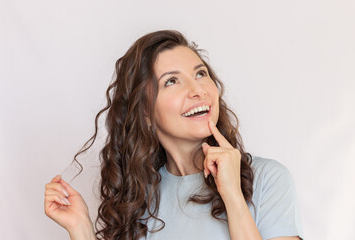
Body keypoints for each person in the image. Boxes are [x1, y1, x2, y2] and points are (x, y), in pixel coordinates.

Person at [44, 30, 303, 240]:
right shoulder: (138, 200)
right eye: (172, 81)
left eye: (200, 74)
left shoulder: (267, 180)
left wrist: (233, 196)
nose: (197, 90)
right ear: (145, 112)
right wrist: (81, 230)